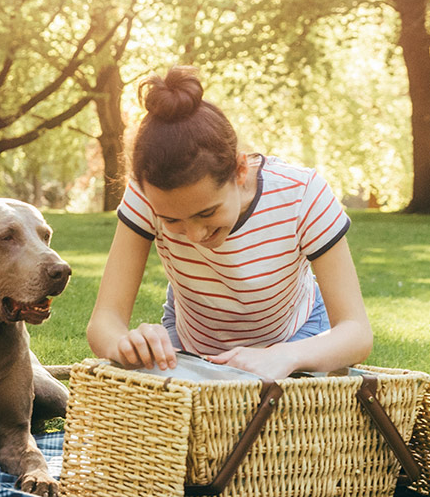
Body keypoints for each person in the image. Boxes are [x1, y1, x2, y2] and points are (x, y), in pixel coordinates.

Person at [86, 65, 371, 380]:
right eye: (171, 220)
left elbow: (356, 332)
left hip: (297, 339)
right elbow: (104, 323)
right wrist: (126, 344)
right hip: (191, 343)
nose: (194, 235)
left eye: (206, 213)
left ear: (239, 170)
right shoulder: (146, 194)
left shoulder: (302, 194)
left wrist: (284, 356)